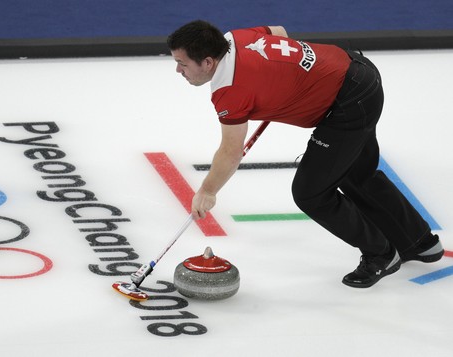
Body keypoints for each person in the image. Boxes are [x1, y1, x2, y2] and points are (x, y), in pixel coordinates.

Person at [166, 20, 444, 288]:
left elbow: (231, 150)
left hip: (348, 103)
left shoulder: (229, 90)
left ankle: (381, 253)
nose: (178, 71)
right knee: (357, 173)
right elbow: (279, 32)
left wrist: (208, 190)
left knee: (311, 193)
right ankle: (420, 242)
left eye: (182, 63)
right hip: (357, 72)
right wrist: (279, 80)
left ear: (208, 62)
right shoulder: (233, 38)